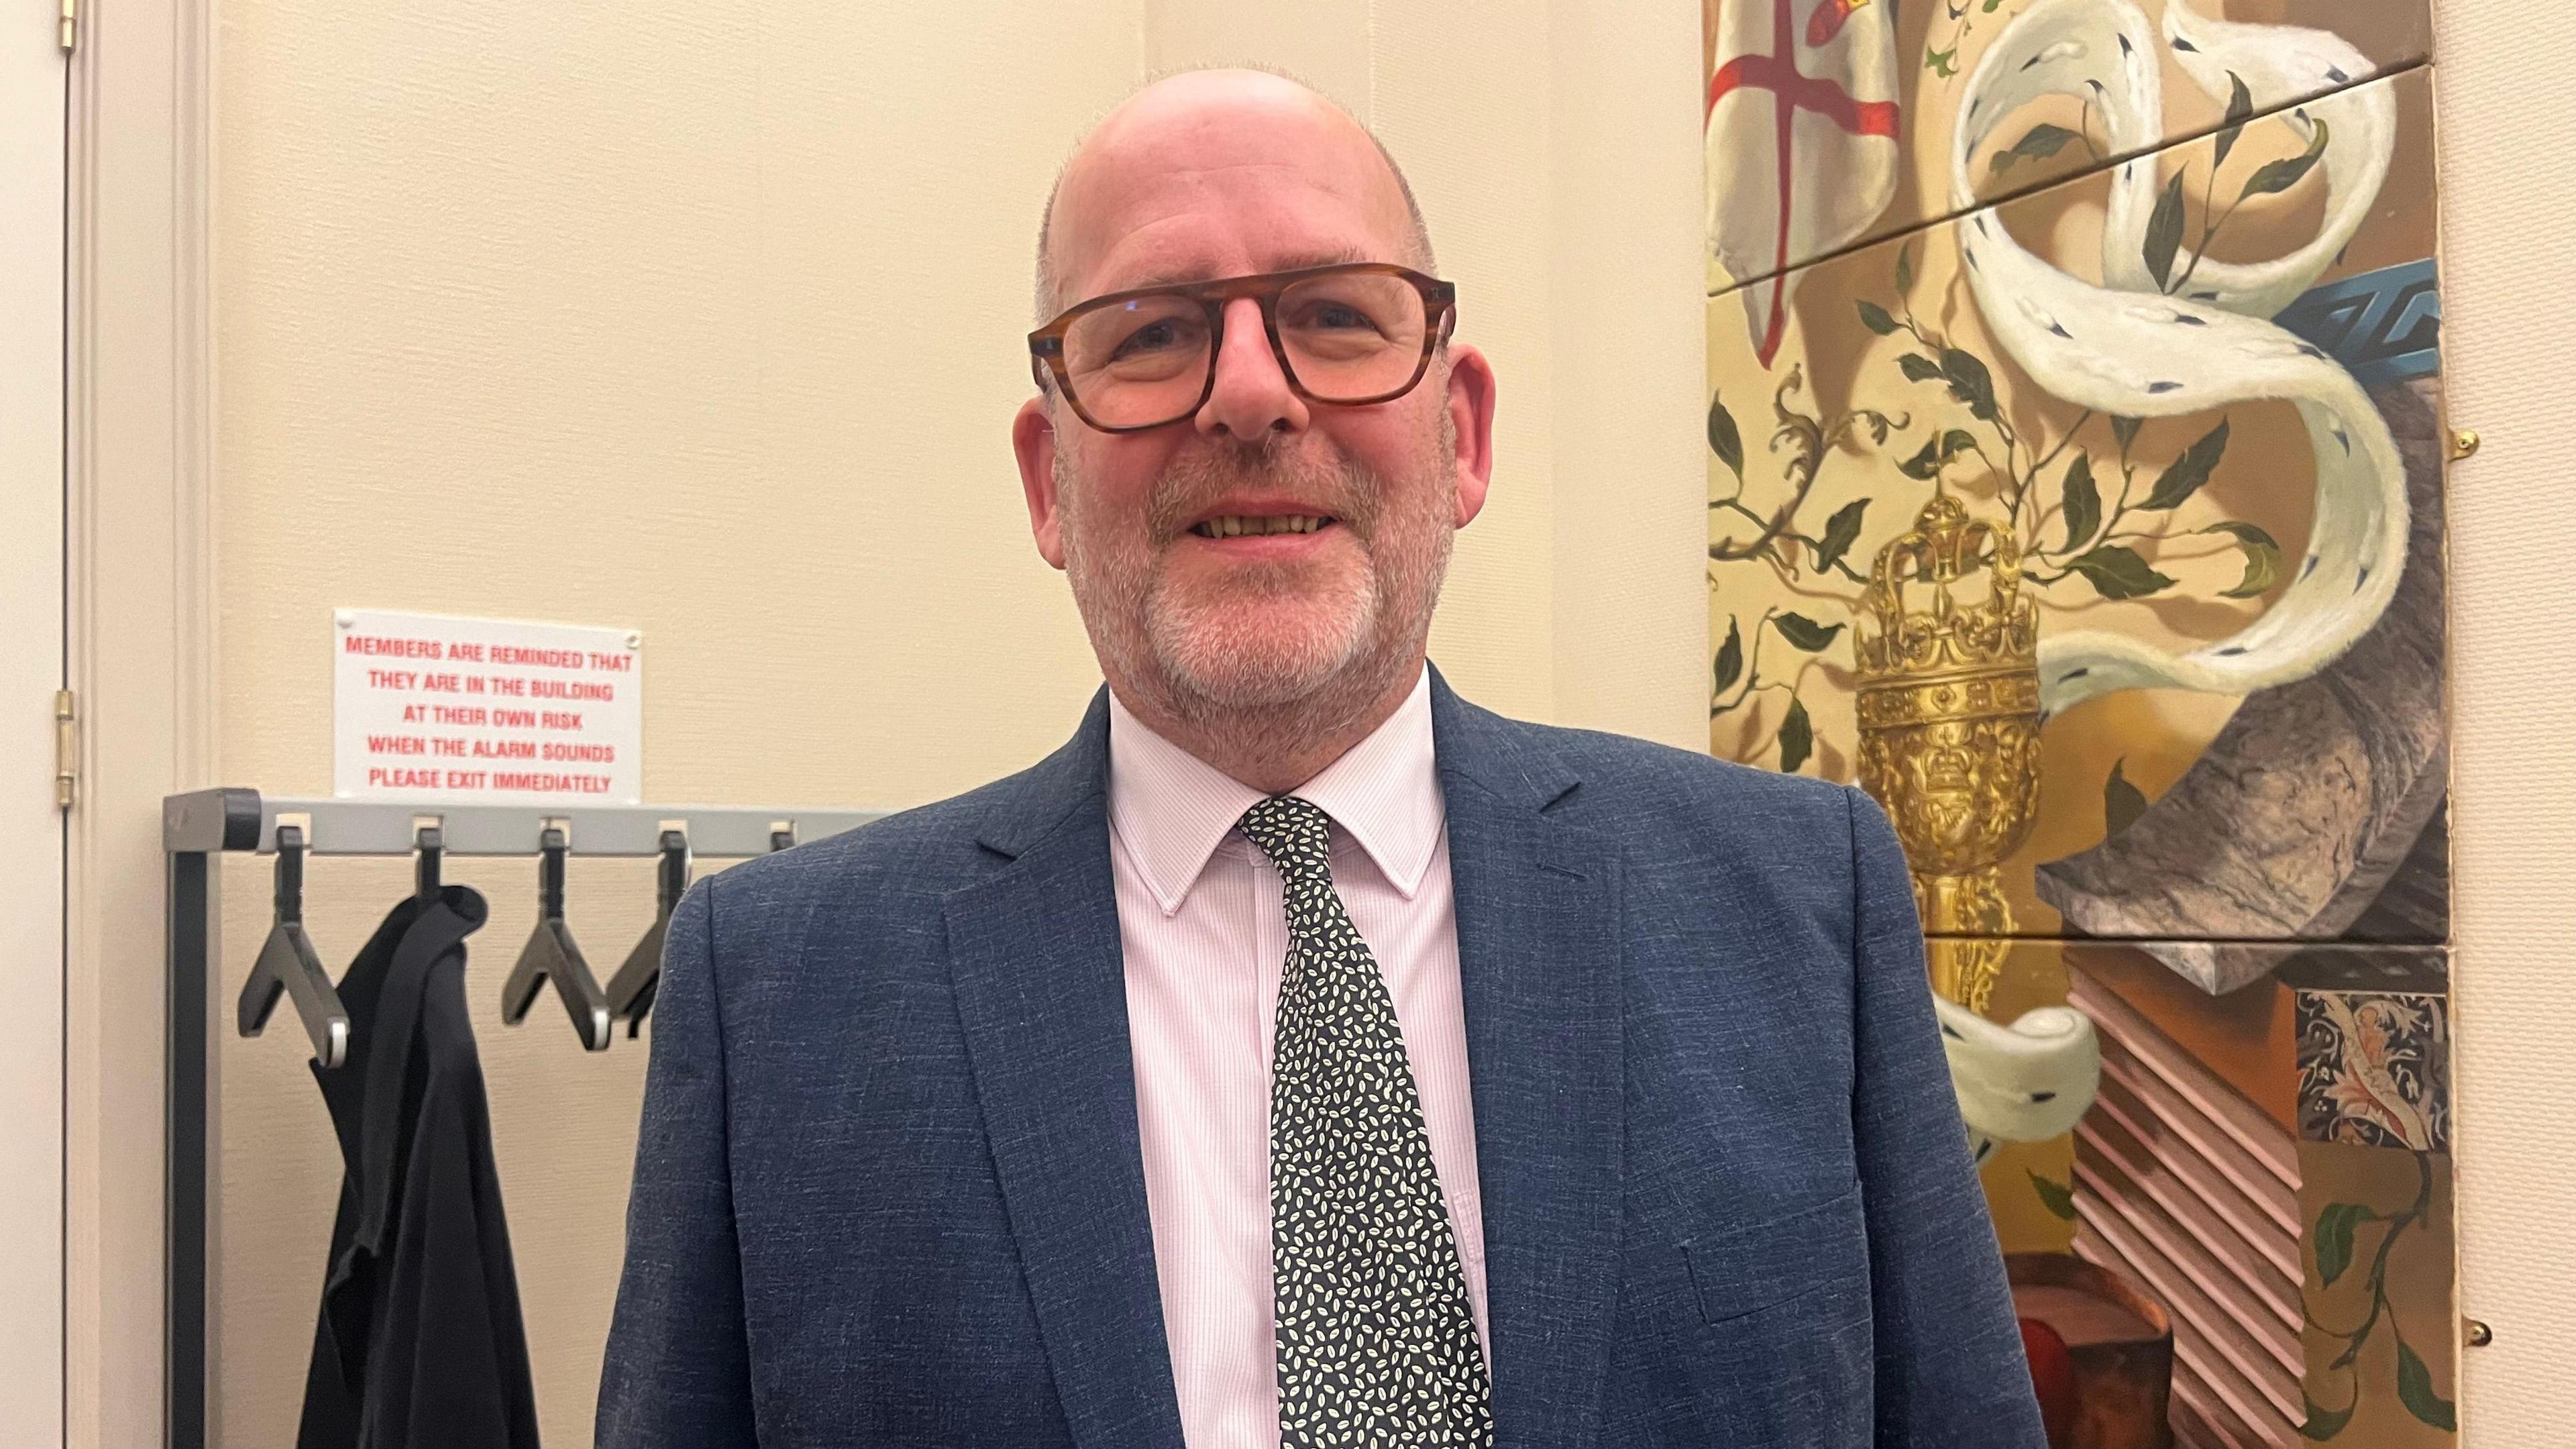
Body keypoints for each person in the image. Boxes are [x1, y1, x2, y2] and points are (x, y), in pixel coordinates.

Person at [598, 67, 2045, 1449]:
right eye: (1152, 332)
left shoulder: (1798, 904)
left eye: (1336, 316)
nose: (1248, 394)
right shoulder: (778, 994)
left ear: (1462, 433)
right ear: (1048, 480)